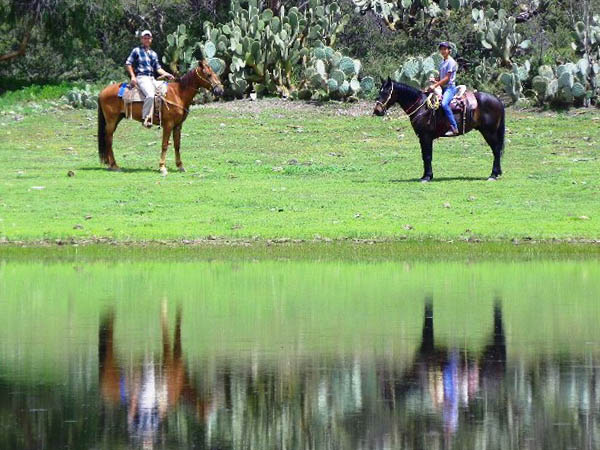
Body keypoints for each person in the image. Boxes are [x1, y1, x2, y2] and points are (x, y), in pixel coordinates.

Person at [125, 30, 175, 127]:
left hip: (152, 78)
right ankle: (146, 118)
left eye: (148, 38)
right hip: (142, 77)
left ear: (151, 40)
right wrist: (132, 76)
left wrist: (167, 74)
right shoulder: (136, 51)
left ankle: (162, 116)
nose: (147, 40)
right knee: (150, 95)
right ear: (141, 39)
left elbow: (158, 68)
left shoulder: (153, 53)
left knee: (166, 90)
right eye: (145, 38)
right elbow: (128, 63)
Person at [429, 42, 459, 136]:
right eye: (441, 49)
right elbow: (441, 77)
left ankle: (454, 127)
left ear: (449, 50)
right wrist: (435, 80)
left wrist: (434, 85)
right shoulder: (442, 62)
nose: (443, 51)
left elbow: (447, 78)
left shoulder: (451, 62)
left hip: (450, 88)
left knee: (444, 104)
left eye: (445, 49)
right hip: (442, 87)